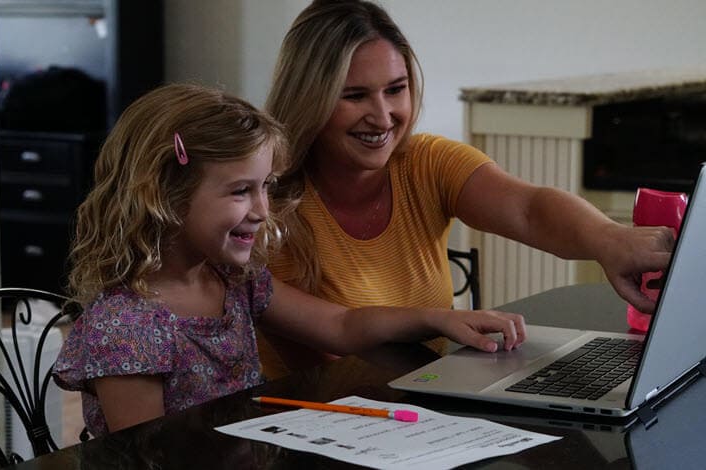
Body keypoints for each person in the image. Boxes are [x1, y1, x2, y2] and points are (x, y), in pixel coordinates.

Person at [51, 83, 526, 437]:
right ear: (164, 195)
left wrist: (438, 318)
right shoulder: (127, 327)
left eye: (265, 187)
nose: (261, 211)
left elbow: (340, 326)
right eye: (241, 191)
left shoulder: (233, 280)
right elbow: (147, 457)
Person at [260, 0, 675, 377]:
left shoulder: (426, 162)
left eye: (395, 89)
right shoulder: (261, 201)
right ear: (310, 96)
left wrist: (609, 240)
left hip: (419, 406)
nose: (383, 116)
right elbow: (337, 344)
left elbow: (530, 209)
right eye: (354, 96)